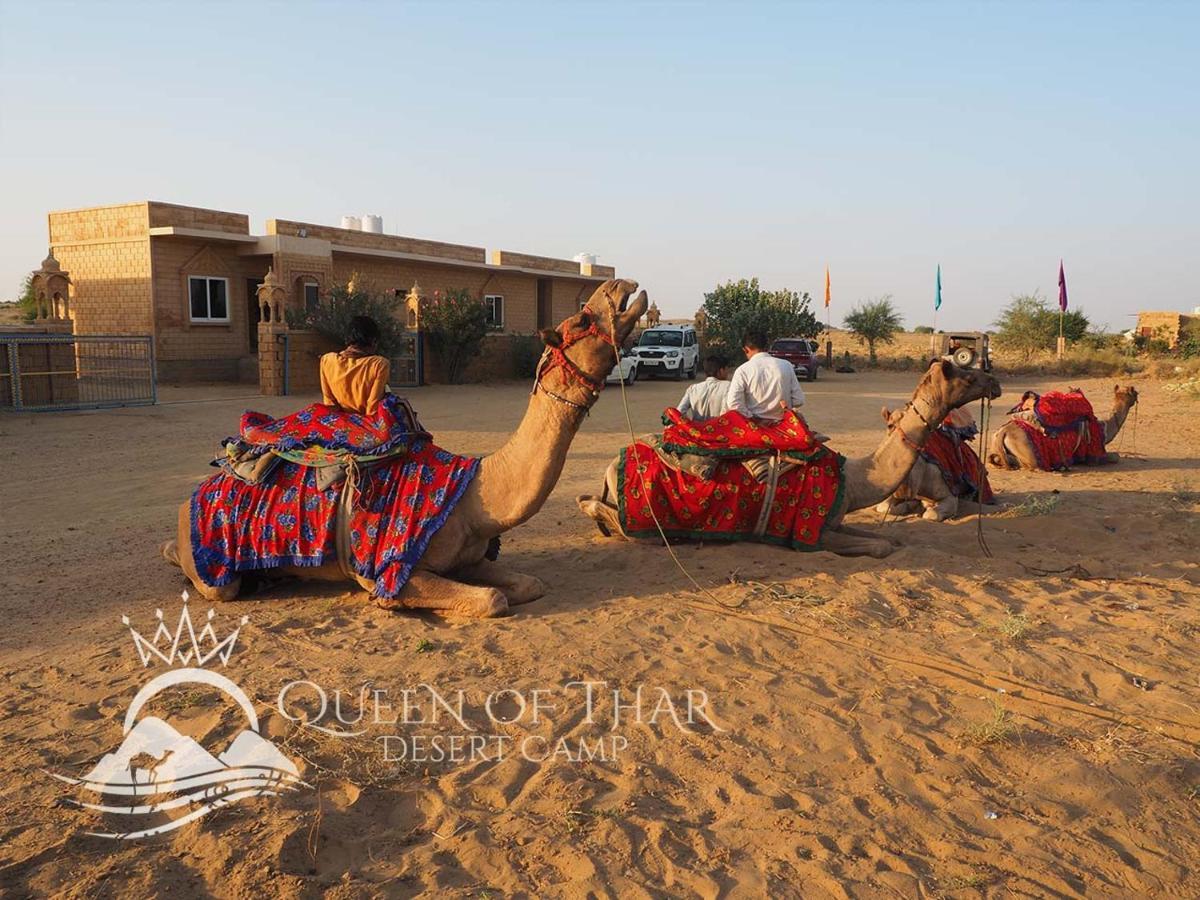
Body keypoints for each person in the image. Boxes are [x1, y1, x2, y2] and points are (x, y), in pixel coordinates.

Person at [726, 329, 806, 423]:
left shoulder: (742, 370)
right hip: (783, 427)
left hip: (755, 428)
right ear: (767, 347)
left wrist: (751, 417)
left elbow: (733, 403)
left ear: (746, 349)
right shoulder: (786, 365)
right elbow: (799, 400)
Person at [319, 315, 391, 415]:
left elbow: (329, 404)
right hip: (367, 425)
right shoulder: (379, 364)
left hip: (339, 425)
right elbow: (373, 407)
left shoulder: (327, 360)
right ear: (373, 341)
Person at [677, 354, 731, 421]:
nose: (727, 372)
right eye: (727, 369)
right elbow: (728, 412)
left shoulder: (693, 389)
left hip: (696, 430)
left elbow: (679, 412)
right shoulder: (729, 386)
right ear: (721, 370)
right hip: (719, 430)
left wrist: (690, 425)